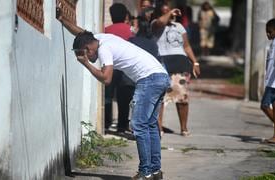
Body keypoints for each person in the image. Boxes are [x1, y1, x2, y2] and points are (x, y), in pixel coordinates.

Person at [57, 8, 169, 180]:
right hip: (160, 75)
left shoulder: (104, 49)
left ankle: (145, 172)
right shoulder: (99, 38)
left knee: (139, 125)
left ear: (88, 48)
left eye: (84, 53)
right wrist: (63, 20)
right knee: (150, 125)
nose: (86, 56)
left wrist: (86, 64)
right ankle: (155, 171)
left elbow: (106, 79)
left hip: (149, 79)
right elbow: (81, 33)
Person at [151, 3, 200, 137]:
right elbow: (161, 22)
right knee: (160, 100)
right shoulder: (155, 24)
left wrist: (195, 62)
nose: (171, 15)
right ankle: (158, 128)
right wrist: (170, 12)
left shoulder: (179, 26)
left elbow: (187, 46)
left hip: (180, 65)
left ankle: (183, 128)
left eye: (171, 12)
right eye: (165, 12)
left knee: (182, 98)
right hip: (162, 65)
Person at [105, 3, 134, 133]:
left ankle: (106, 123)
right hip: (125, 68)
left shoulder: (106, 30)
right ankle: (122, 126)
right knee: (124, 98)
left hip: (109, 67)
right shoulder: (130, 31)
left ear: (111, 16)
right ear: (125, 16)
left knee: (108, 96)